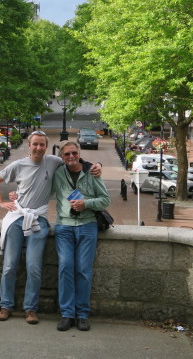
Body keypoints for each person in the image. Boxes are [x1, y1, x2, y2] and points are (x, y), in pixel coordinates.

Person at [0, 130, 101, 325]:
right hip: (17, 217)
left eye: (42, 144)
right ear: (29, 146)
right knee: (9, 266)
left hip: (38, 219)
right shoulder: (18, 165)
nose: (38, 148)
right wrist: (2, 203)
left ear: (46, 147)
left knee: (34, 267)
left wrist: (97, 165)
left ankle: (31, 308)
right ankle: (5, 305)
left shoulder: (53, 162)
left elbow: (75, 161)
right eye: (35, 144)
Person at [53, 141, 110, 332]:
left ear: (79, 153)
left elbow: (105, 200)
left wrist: (86, 203)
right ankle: (67, 314)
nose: (71, 157)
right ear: (61, 156)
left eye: (74, 153)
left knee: (84, 271)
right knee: (65, 267)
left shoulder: (91, 172)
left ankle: (82, 314)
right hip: (64, 226)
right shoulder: (58, 172)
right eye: (67, 154)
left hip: (87, 226)